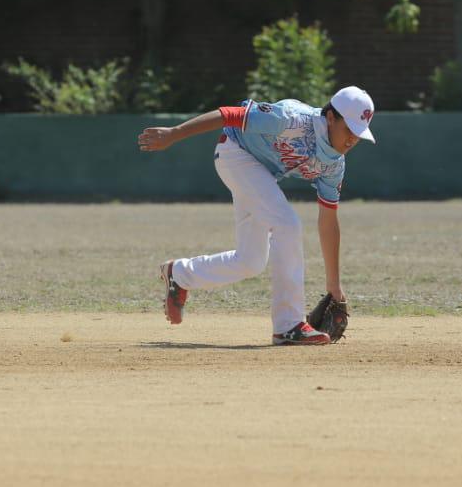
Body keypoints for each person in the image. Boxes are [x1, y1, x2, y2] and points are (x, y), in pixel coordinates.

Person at [137, 86, 375, 345]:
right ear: (330, 117)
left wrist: (334, 287)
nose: (352, 139)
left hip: (262, 173)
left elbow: (328, 221)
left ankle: (180, 274)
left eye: (359, 134)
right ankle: (289, 326)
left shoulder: (334, 165)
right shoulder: (292, 119)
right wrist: (174, 133)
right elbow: (230, 114)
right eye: (349, 129)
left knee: (251, 260)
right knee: (287, 224)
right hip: (235, 154)